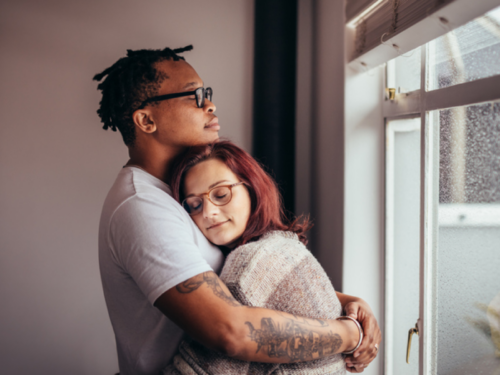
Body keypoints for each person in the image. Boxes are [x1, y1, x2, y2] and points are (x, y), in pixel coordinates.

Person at [94, 46, 381, 375]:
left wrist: (345, 303)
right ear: (146, 120)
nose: (210, 104)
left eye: (207, 93)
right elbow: (230, 331)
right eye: (194, 95)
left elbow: (236, 284)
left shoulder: (175, 192)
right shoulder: (143, 208)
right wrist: (348, 334)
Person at [163, 140, 366, 374]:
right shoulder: (283, 244)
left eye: (221, 194)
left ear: (252, 188)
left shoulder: (250, 261)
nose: (208, 212)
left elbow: (198, 370)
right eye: (195, 205)